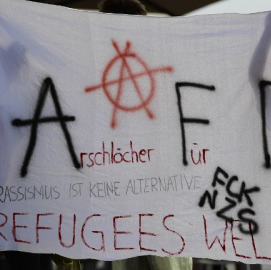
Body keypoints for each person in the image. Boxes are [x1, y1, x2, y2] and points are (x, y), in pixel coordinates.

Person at [97, 0, 193, 269]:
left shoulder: (163, 61)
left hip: (157, 189)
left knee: (165, 262)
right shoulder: (98, 64)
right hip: (123, 191)